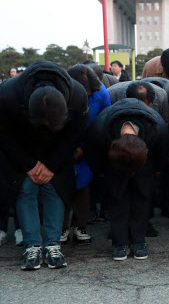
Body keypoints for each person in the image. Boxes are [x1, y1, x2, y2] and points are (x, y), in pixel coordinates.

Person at [0, 61, 89, 270]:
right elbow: (3, 136)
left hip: (58, 151)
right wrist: (29, 165)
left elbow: (76, 134)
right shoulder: (6, 94)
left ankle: (53, 244)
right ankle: (32, 245)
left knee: (55, 191)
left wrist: (51, 165)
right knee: (25, 190)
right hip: (22, 151)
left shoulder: (77, 95)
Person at [85, 98, 169, 260]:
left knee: (142, 200)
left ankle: (139, 241)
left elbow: (163, 152)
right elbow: (92, 151)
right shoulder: (100, 128)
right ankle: (119, 243)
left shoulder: (158, 128)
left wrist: (157, 170)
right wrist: (100, 171)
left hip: (145, 161)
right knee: (117, 200)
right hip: (114, 162)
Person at [61, 65, 112, 245]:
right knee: (62, 187)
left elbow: (105, 121)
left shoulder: (101, 93)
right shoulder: (61, 91)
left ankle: (80, 226)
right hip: (63, 145)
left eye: (91, 91)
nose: (88, 94)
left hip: (89, 144)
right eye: (85, 91)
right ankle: (62, 228)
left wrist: (85, 147)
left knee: (83, 185)